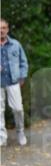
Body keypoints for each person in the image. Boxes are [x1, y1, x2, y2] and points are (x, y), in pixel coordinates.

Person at [0, 18, 29, 146]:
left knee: (18, 109)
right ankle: (2, 137)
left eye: (3, 28)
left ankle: (20, 132)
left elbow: (23, 62)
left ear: (8, 29)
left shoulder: (16, 44)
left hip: (13, 81)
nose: (1, 31)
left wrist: (22, 77)